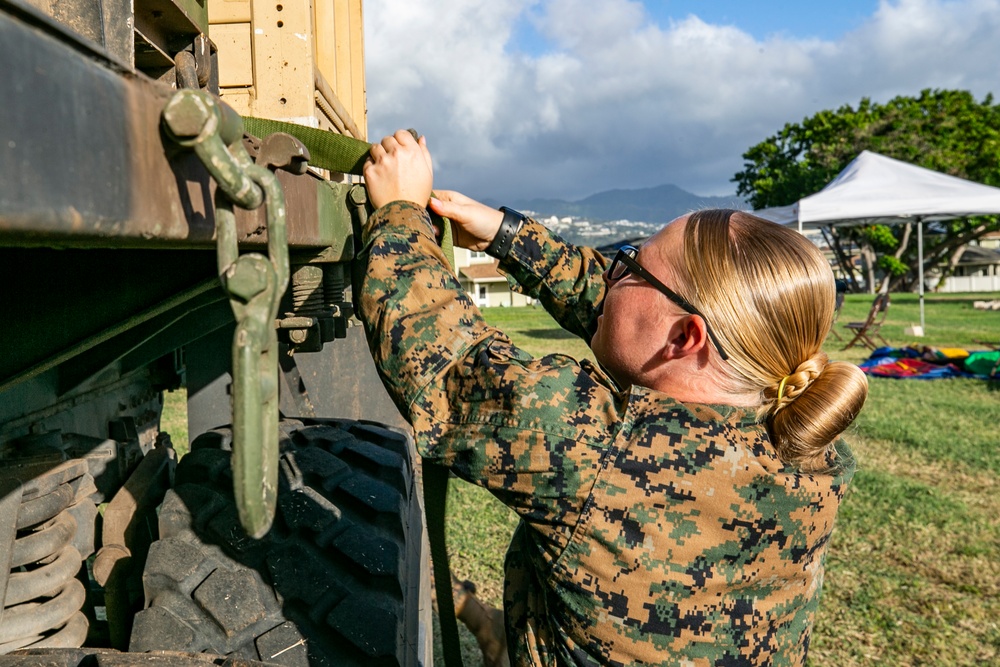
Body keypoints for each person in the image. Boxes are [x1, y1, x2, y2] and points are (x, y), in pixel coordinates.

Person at [360, 130, 868, 666]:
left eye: (629, 264)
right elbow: (633, 319)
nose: (611, 274)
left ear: (685, 338)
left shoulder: (598, 448)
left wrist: (399, 210)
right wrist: (506, 236)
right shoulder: (805, 445)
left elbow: (440, 356)